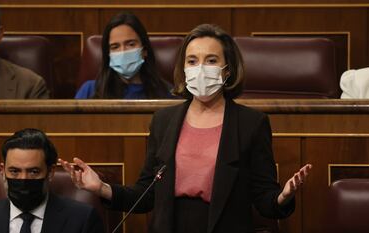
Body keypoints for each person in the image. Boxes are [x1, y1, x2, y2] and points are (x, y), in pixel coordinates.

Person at [61, 24, 312, 233]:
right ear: (183, 68)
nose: (200, 68)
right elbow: (146, 194)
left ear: (228, 69)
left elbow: (264, 199)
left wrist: (283, 196)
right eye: (192, 61)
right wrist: (100, 187)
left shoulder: (250, 123)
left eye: (211, 60)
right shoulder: (164, 120)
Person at [0, 128, 104, 233]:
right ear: (3, 171)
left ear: (50, 172)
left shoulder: (82, 219)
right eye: (14, 171)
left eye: (33, 172)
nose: (23, 179)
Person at [75, 12, 172, 99]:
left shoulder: (167, 93)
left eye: (131, 44)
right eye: (115, 47)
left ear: (144, 50)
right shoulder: (89, 91)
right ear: (108, 54)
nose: (123, 52)